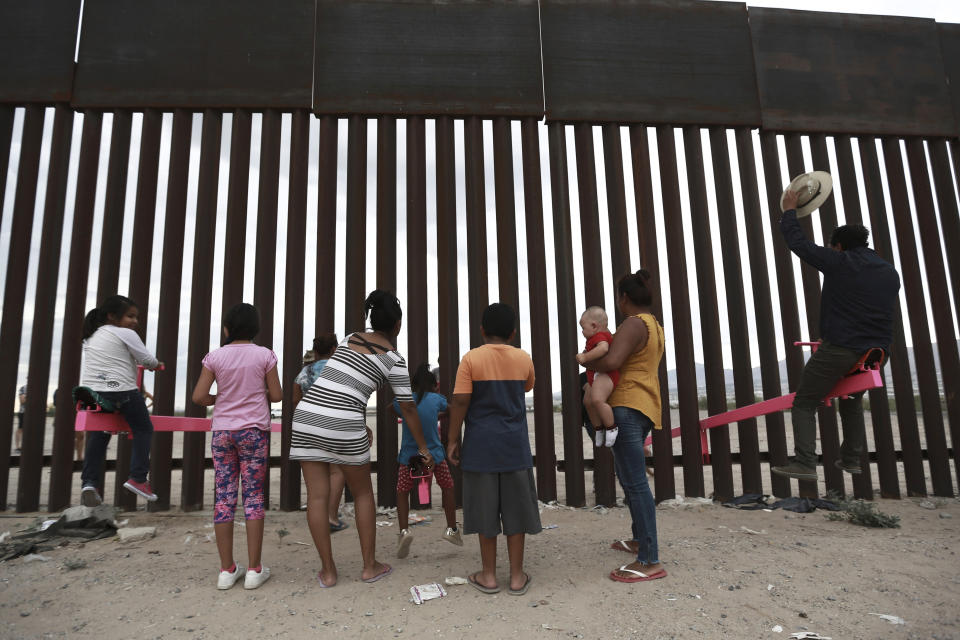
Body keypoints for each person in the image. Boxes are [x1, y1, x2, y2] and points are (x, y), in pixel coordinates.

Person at [290, 290, 435, 587]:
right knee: (363, 495)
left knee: (317, 497)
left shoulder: (349, 339)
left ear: (371, 319)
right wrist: (423, 446)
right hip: (345, 423)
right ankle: (369, 566)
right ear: (398, 325)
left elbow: (340, 384)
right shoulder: (394, 360)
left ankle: (328, 573)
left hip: (305, 416)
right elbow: (407, 407)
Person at [771, 189, 901, 481]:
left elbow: (799, 244)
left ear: (839, 247)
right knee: (852, 402)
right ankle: (852, 459)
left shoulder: (841, 262)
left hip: (841, 349)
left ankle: (805, 464)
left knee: (805, 402)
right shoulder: (890, 272)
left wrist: (789, 211)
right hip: (877, 354)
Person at [446, 302, 539, 596]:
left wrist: (452, 439)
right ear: (512, 333)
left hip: (480, 447)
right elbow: (526, 386)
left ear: (482, 330)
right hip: (514, 447)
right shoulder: (523, 358)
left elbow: (460, 401)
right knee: (516, 511)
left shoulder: (471, 359)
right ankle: (515, 576)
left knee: (486, 512)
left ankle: (488, 575)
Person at [192, 303, 282, 590]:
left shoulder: (214, 357)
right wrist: (255, 391)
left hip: (222, 433)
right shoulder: (265, 355)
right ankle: (255, 570)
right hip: (254, 431)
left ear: (226, 329)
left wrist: (220, 399)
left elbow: (198, 396)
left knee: (224, 497)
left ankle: (227, 570)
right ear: (255, 329)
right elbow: (277, 395)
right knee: (253, 498)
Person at [585, 270, 667, 583]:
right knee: (629, 476)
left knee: (634, 482)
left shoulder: (633, 323)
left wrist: (584, 360)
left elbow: (611, 362)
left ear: (623, 298)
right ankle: (639, 541)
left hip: (628, 405)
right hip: (643, 403)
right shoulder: (653, 325)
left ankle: (649, 559)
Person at [78, 295, 162, 506]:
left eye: (137, 317)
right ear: (112, 316)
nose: (135, 321)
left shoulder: (91, 335)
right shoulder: (125, 333)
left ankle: (89, 483)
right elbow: (146, 359)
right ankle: (138, 478)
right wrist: (156, 364)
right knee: (143, 428)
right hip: (121, 391)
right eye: (130, 316)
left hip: (92, 393)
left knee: (100, 433)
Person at [393, 363, 461, 559]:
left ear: (411, 385)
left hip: (411, 456)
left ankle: (404, 531)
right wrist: (436, 415)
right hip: (434, 456)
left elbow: (391, 408)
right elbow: (453, 410)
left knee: (403, 491)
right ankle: (451, 529)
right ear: (435, 386)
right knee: (447, 487)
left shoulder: (405, 401)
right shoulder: (436, 399)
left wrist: (407, 416)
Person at [293, 333, 348, 533]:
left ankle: (318, 518)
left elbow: (295, 401)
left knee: (316, 479)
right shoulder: (340, 371)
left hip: (308, 426)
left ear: (315, 351)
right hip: (334, 424)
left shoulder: (304, 373)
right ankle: (331, 516)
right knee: (337, 470)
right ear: (334, 349)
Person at [577, 306, 621, 447]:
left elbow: (603, 348)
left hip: (605, 375)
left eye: (583, 328)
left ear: (594, 326)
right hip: (595, 374)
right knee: (587, 401)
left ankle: (611, 426)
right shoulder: (594, 337)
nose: (582, 332)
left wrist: (585, 356)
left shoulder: (601, 336)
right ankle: (599, 428)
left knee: (597, 400)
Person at [15, 381, 26, 454]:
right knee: (20, 429)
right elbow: (22, 401)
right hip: (23, 412)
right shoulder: (23, 388)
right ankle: (18, 447)